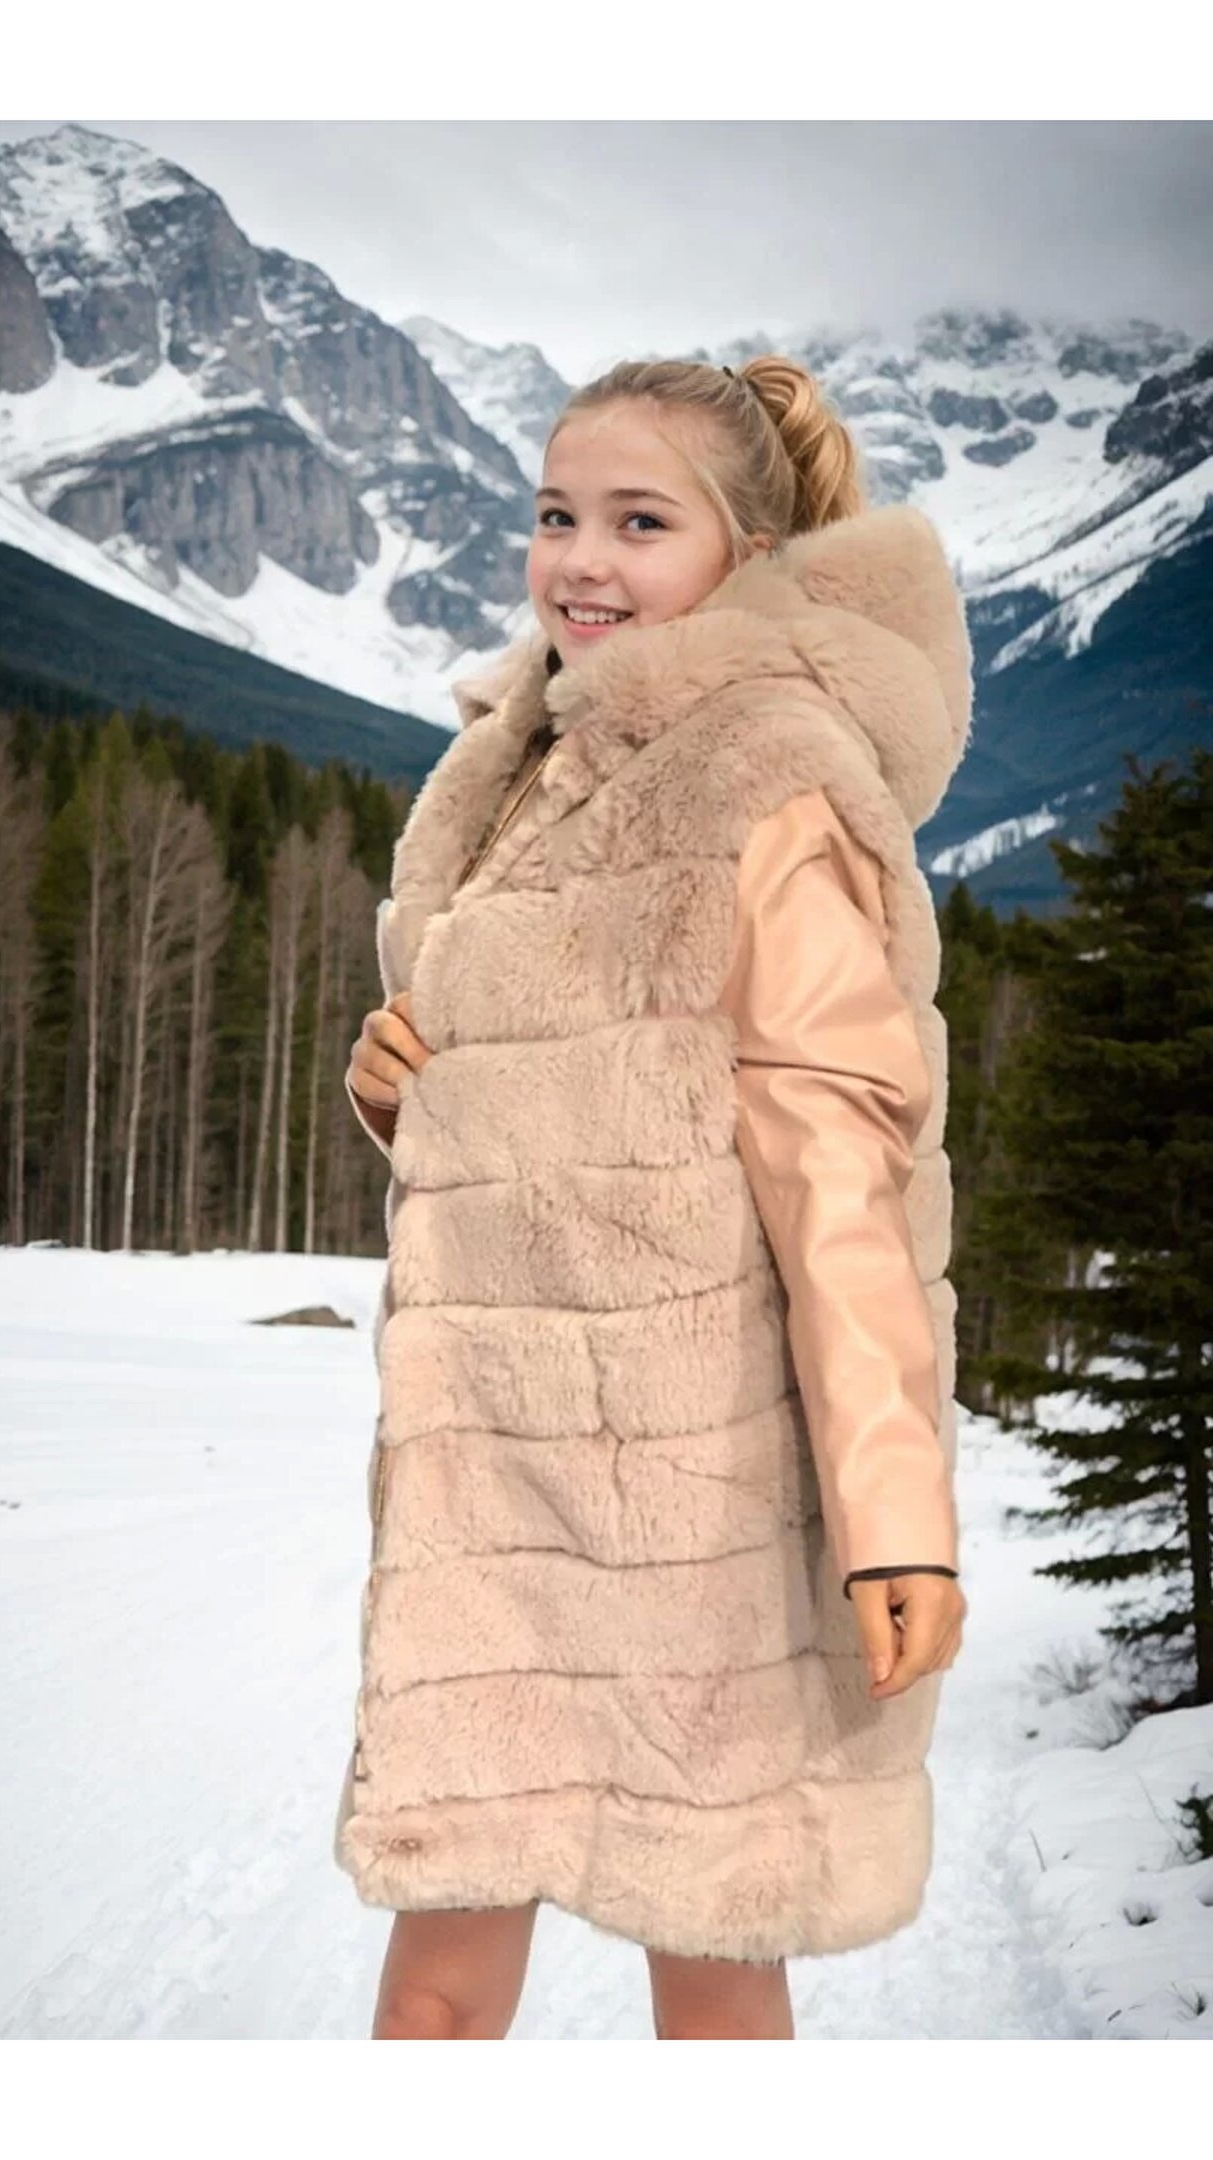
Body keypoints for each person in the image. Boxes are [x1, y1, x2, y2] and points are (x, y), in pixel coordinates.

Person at [339, 355, 970, 2040]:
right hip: (498, 1495)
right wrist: (404, 1080)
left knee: (712, 1964)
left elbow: (841, 1168)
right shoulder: (523, 759)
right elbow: (588, 1098)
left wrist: (895, 1518)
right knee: (436, 1988)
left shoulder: (766, 778)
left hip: (692, 1511)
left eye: (639, 522)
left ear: (744, 553)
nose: (582, 561)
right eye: (558, 515)